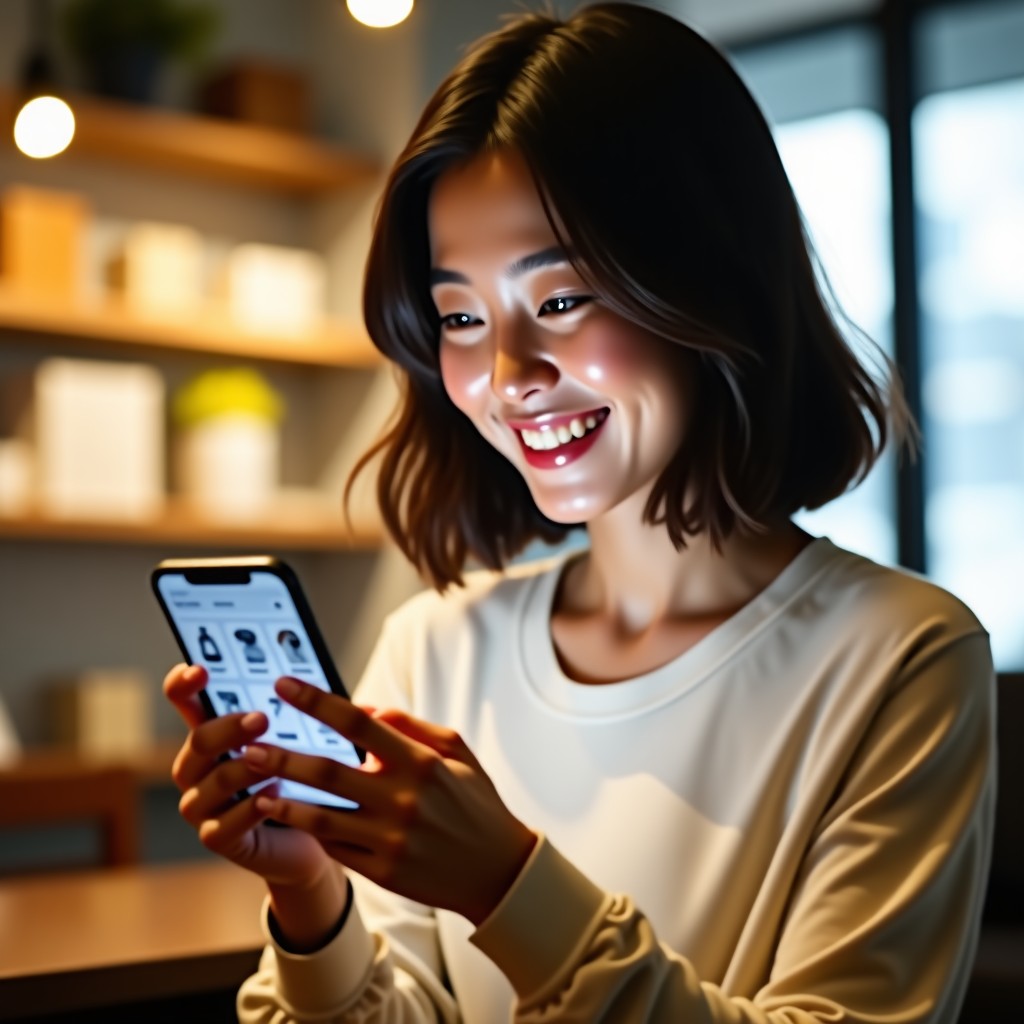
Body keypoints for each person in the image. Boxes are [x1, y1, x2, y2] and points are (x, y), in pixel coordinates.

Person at [164, 4, 996, 1021]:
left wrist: (509, 888)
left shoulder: (901, 656)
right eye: (461, 318)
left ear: (708, 279)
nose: (507, 376)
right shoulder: (435, 649)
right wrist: (309, 895)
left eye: (559, 300)